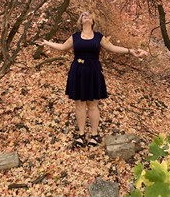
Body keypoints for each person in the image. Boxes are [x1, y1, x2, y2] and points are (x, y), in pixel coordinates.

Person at [36, 11, 148, 147]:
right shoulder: (75, 37)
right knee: (79, 105)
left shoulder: (99, 37)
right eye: (83, 15)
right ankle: (81, 135)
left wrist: (130, 51)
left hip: (93, 71)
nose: (86, 16)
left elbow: (113, 48)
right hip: (78, 71)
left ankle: (94, 135)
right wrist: (47, 42)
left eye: (89, 15)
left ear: (93, 20)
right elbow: (62, 47)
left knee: (93, 105)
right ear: (81, 20)